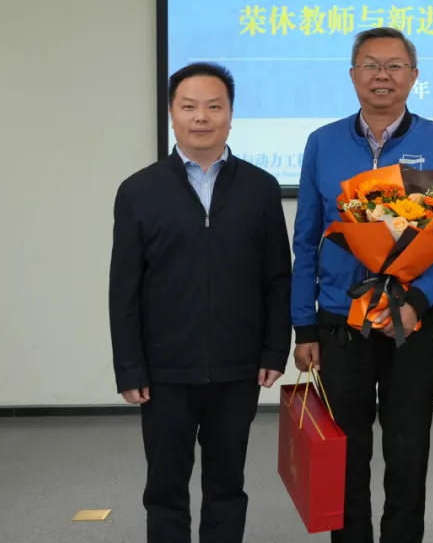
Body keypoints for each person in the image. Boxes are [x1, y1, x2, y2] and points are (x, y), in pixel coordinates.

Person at [291, 27, 433, 543]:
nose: (381, 76)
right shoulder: (322, 143)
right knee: (344, 451)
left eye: (394, 65)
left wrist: (417, 300)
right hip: (339, 321)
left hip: (410, 320)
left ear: (413, 76)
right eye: (370, 65)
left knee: (407, 449)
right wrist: (304, 325)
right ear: (353, 75)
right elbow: (306, 239)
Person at [109, 62, 293, 543]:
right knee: (165, 488)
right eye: (189, 106)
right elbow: (124, 288)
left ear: (231, 115)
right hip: (164, 370)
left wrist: (275, 350)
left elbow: (277, 277)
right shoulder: (139, 190)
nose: (201, 117)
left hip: (237, 367)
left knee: (227, 485)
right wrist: (130, 367)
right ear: (172, 113)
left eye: (214, 106)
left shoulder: (260, 188)